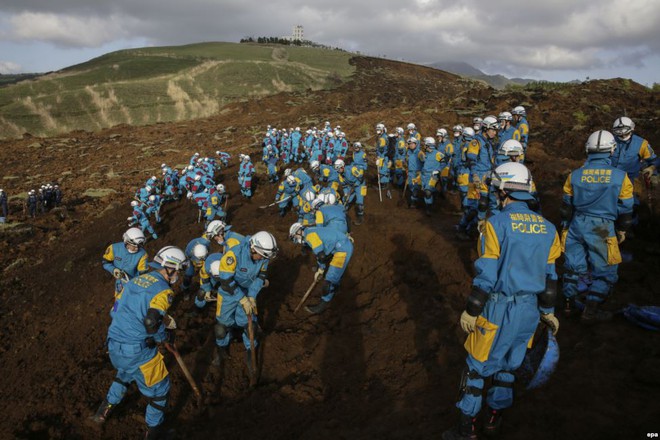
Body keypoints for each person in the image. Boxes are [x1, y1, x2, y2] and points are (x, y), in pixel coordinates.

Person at [443, 162, 561, 440]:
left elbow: (486, 275)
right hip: (530, 311)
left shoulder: (495, 225)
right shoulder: (549, 228)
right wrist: (548, 312)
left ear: (502, 190)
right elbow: (550, 278)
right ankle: (494, 422)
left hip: (498, 308)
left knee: (476, 369)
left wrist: (472, 310)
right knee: (509, 366)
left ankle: (467, 431)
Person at [90, 246, 188, 439]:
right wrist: (163, 337)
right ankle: (154, 433)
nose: (178, 275)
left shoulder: (134, 281)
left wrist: (159, 320)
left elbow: (116, 310)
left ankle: (101, 413)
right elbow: (151, 322)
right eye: (178, 270)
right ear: (170, 268)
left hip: (114, 344)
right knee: (161, 389)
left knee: (124, 375)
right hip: (137, 351)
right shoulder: (164, 291)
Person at [561, 130, 634, 321]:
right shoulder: (620, 177)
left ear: (588, 150)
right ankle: (591, 310)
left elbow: (566, 206)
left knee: (572, 267)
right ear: (612, 150)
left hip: (576, 223)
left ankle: (568, 305)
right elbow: (626, 209)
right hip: (602, 228)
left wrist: (565, 227)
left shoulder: (574, 175)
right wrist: (622, 230)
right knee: (606, 270)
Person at [209, 231, 277, 369]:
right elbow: (226, 281)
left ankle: (250, 351)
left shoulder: (264, 256)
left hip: (247, 292)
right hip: (228, 293)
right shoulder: (233, 255)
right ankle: (221, 350)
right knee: (221, 328)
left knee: (249, 326)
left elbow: (261, 277)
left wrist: (251, 296)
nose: (262, 259)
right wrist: (242, 299)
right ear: (253, 249)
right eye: (261, 256)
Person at [289, 222, 354, 315]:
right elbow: (320, 254)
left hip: (342, 249)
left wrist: (321, 270)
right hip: (339, 246)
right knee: (332, 274)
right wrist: (321, 268)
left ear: (298, 231)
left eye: (295, 237)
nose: (297, 239)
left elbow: (321, 256)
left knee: (328, 282)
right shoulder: (310, 231)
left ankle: (322, 305)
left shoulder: (309, 236)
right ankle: (336, 289)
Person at [610, 116, 656, 225]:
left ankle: (630, 225)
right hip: (610, 178)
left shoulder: (641, 144)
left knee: (632, 203)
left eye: (625, 133)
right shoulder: (609, 141)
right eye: (619, 133)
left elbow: (654, 160)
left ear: (632, 129)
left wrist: (651, 168)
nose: (622, 135)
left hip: (630, 179)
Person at [102, 227, 149, 300]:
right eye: (134, 245)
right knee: (118, 301)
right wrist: (113, 270)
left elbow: (143, 274)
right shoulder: (114, 248)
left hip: (134, 284)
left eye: (139, 246)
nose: (136, 248)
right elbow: (105, 262)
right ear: (126, 241)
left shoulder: (142, 255)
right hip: (119, 283)